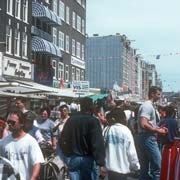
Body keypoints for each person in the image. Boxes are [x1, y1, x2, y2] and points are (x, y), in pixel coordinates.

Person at [59, 97, 107, 180]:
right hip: (89, 159)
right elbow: (97, 143)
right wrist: (101, 163)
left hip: (74, 158)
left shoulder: (71, 120)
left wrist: (67, 154)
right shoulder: (93, 121)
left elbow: (62, 139)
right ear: (91, 107)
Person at [0, 109, 44, 180]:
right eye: (8, 122)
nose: (10, 124)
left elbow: (37, 163)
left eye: (13, 122)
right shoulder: (4, 142)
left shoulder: (31, 141)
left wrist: (32, 178)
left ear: (21, 123)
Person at [137, 86, 168, 180]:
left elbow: (146, 123)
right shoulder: (147, 106)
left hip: (144, 137)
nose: (159, 96)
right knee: (157, 167)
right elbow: (143, 123)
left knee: (144, 168)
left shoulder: (148, 106)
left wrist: (158, 128)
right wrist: (158, 130)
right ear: (152, 94)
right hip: (148, 138)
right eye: (158, 94)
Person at [103, 108, 140, 180]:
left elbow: (102, 147)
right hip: (123, 169)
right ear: (123, 118)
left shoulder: (107, 129)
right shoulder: (126, 131)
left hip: (110, 168)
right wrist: (136, 166)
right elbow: (131, 152)